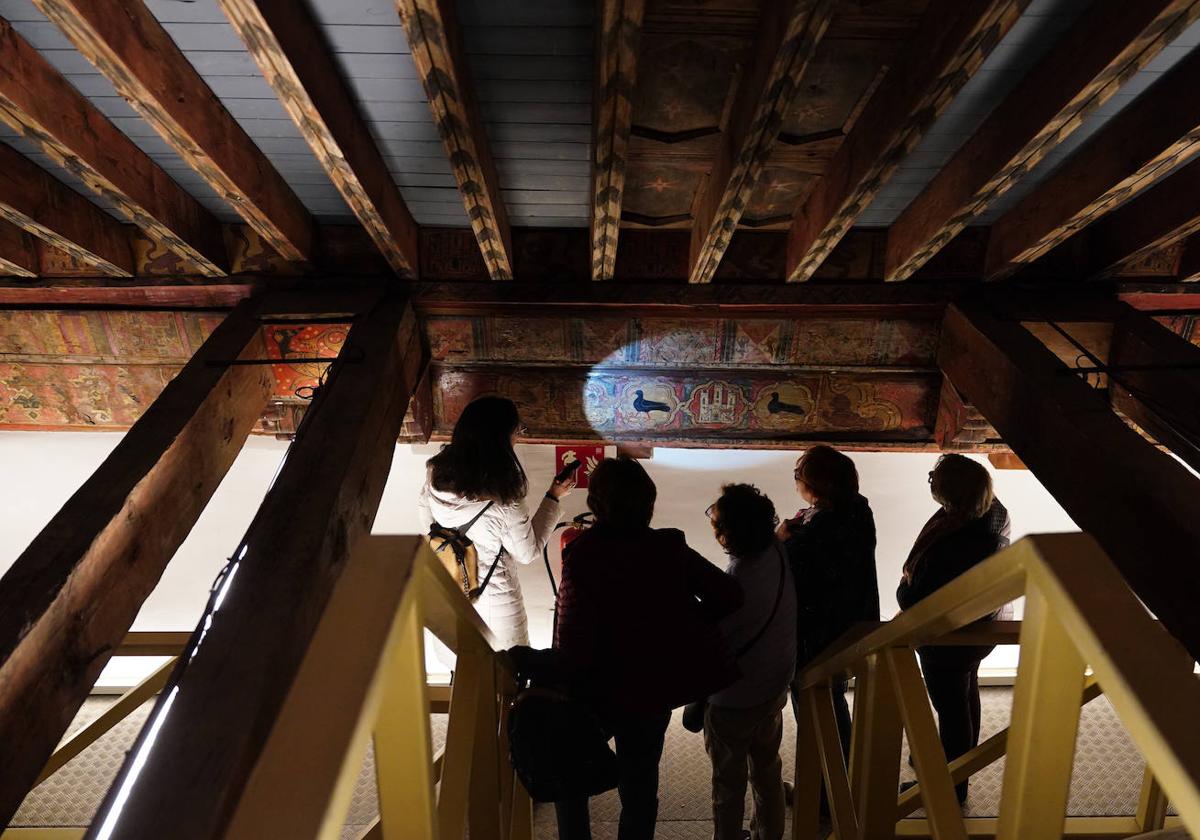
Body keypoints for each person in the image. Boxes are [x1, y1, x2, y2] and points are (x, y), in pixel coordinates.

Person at [552, 456, 744, 840]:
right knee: (640, 789)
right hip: (651, 686)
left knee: (568, 778)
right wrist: (685, 623)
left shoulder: (584, 554)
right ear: (647, 503)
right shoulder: (668, 546)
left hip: (597, 690)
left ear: (598, 506)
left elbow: (571, 641)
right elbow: (728, 594)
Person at [897, 454, 1012, 804]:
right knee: (964, 693)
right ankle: (956, 762)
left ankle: (951, 784)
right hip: (982, 627)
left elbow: (914, 597)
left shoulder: (958, 540)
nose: (930, 480)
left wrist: (904, 586)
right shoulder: (993, 512)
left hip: (948, 637)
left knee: (951, 708)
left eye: (935, 478)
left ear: (952, 493)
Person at [417, 396, 574, 651]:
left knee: (463, 672)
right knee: (508, 676)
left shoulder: (436, 471)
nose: (518, 438)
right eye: (516, 431)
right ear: (499, 438)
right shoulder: (504, 490)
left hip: (449, 592)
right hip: (494, 602)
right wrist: (553, 497)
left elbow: (428, 522)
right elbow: (527, 552)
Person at [704, 484, 796, 840]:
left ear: (729, 535)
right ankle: (769, 834)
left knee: (728, 784)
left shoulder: (735, 585)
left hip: (732, 699)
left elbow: (713, 643)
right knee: (768, 769)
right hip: (774, 685)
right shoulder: (777, 551)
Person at [779, 446, 878, 764]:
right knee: (833, 701)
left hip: (816, 635)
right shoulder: (859, 510)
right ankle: (842, 779)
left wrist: (782, 539)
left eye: (799, 476)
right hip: (851, 622)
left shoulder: (815, 533)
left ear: (816, 485)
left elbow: (789, 571)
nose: (796, 482)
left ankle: (823, 794)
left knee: (814, 708)